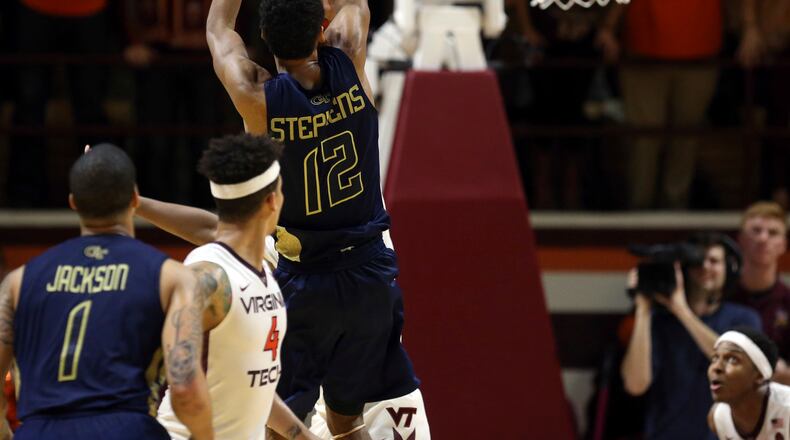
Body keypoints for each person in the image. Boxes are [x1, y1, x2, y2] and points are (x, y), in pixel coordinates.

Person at [203, 0, 423, 438]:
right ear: (321, 30)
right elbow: (354, 4)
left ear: (265, 37)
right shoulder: (350, 54)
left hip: (304, 283)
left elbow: (218, 29)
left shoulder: (257, 97)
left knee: (280, 425)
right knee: (347, 422)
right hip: (369, 275)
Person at [0, 144, 213, 439]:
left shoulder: (17, 282)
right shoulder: (172, 277)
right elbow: (186, 390)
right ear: (135, 198)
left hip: (40, 430)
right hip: (126, 429)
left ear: (73, 202)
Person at [154, 133, 319, 440]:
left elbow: (252, 386)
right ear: (272, 200)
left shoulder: (263, 270)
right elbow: (179, 385)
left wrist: (301, 435)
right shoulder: (210, 276)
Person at [596, 0, 760, 209]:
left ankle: (674, 211)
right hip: (643, 52)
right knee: (644, 139)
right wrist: (609, 27)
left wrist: (750, 27)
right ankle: (639, 211)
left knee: (685, 138)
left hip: (700, 51)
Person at [621, 232, 761, 439]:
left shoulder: (743, 319)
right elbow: (635, 385)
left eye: (714, 261)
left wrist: (681, 310)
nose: (705, 267)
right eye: (697, 261)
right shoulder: (660, 322)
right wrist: (643, 309)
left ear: (729, 269)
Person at [732, 201, 790, 384]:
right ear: (741, 239)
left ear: (783, 244)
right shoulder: (719, 295)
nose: (763, 238)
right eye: (756, 231)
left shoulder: (787, 300)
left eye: (773, 233)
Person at [707, 327, 790, 439]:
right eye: (715, 358)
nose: (716, 367)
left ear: (759, 376)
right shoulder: (718, 417)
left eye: (732, 360)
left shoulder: (787, 409)